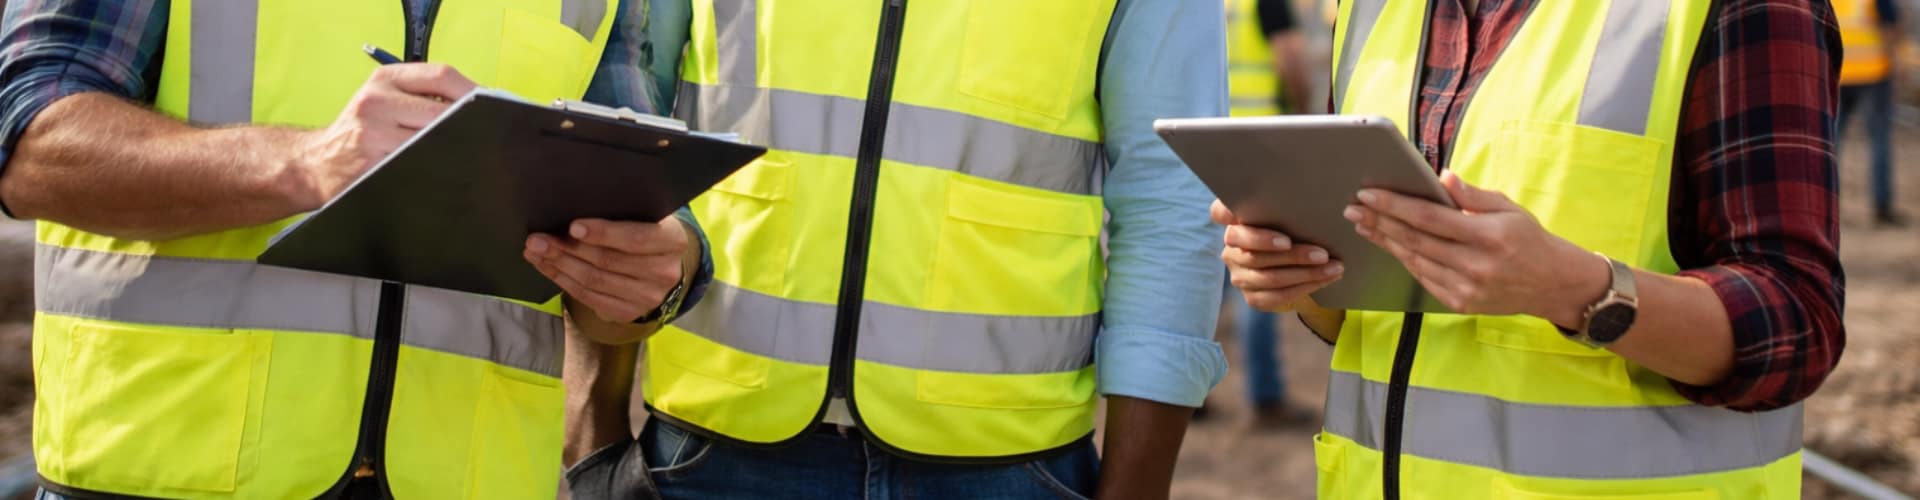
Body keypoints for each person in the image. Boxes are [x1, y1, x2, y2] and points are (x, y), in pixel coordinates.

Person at [0, 0, 709, 498]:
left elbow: (632, 207)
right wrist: (302, 163)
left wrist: (656, 275)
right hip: (160, 469)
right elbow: (32, 145)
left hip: (468, 480)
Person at [562, 0, 1229, 498]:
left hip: (1012, 462)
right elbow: (621, 114)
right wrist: (592, 430)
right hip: (708, 452)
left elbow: (1172, 197)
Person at [1219, 0, 1844, 497]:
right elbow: (1370, 318)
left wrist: (1574, 290)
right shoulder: (1370, 10)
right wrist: (1302, 275)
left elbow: (1798, 322)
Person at [1218, 0, 1317, 430]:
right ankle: (1266, 396)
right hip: (1258, 144)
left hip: (1208, 141)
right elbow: (1291, 56)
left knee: (1211, 270)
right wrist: (1300, 110)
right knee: (1261, 268)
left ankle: (1189, 395)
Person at [1837, 0, 1905, 227]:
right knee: (1879, 141)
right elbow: (1890, 26)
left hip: (1838, 73)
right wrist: (1897, 64)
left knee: (1829, 145)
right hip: (1874, 72)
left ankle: (1827, 207)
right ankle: (1882, 206)